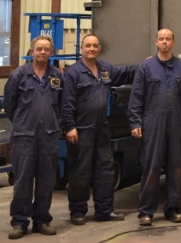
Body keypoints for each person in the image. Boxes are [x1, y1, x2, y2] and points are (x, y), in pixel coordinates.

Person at [61, 33, 137, 225]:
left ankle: (104, 210)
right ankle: (78, 211)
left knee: (105, 170)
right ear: (81, 48)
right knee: (80, 172)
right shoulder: (73, 73)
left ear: (99, 49)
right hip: (81, 130)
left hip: (102, 129)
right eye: (88, 46)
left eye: (95, 46)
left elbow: (126, 73)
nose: (92, 49)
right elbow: (66, 103)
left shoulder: (105, 69)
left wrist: (146, 65)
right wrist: (69, 127)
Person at [128, 28, 181, 226]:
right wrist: (135, 122)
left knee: (175, 168)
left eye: (168, 39)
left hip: (176, 123)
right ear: (156, 42)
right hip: (152, 124)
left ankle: (173, 209)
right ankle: (145, 212)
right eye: (161, 39)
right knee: (151, 167)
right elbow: (136, 97)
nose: (165, 42)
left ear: (173, 42)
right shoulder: (146, 67)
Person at [4, 35, 64, 239]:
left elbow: (62, 104)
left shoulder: (57, 76)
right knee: (23, 181)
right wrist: (24, 122)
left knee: (46, 181)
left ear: (51, 53)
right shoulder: (18, 75)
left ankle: (42, 221)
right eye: (39, 49)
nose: (42, 52)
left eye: (47, 49)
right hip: (24, 137)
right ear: (32, 51)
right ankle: (19, 222)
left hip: (49, 136)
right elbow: (9, 105)